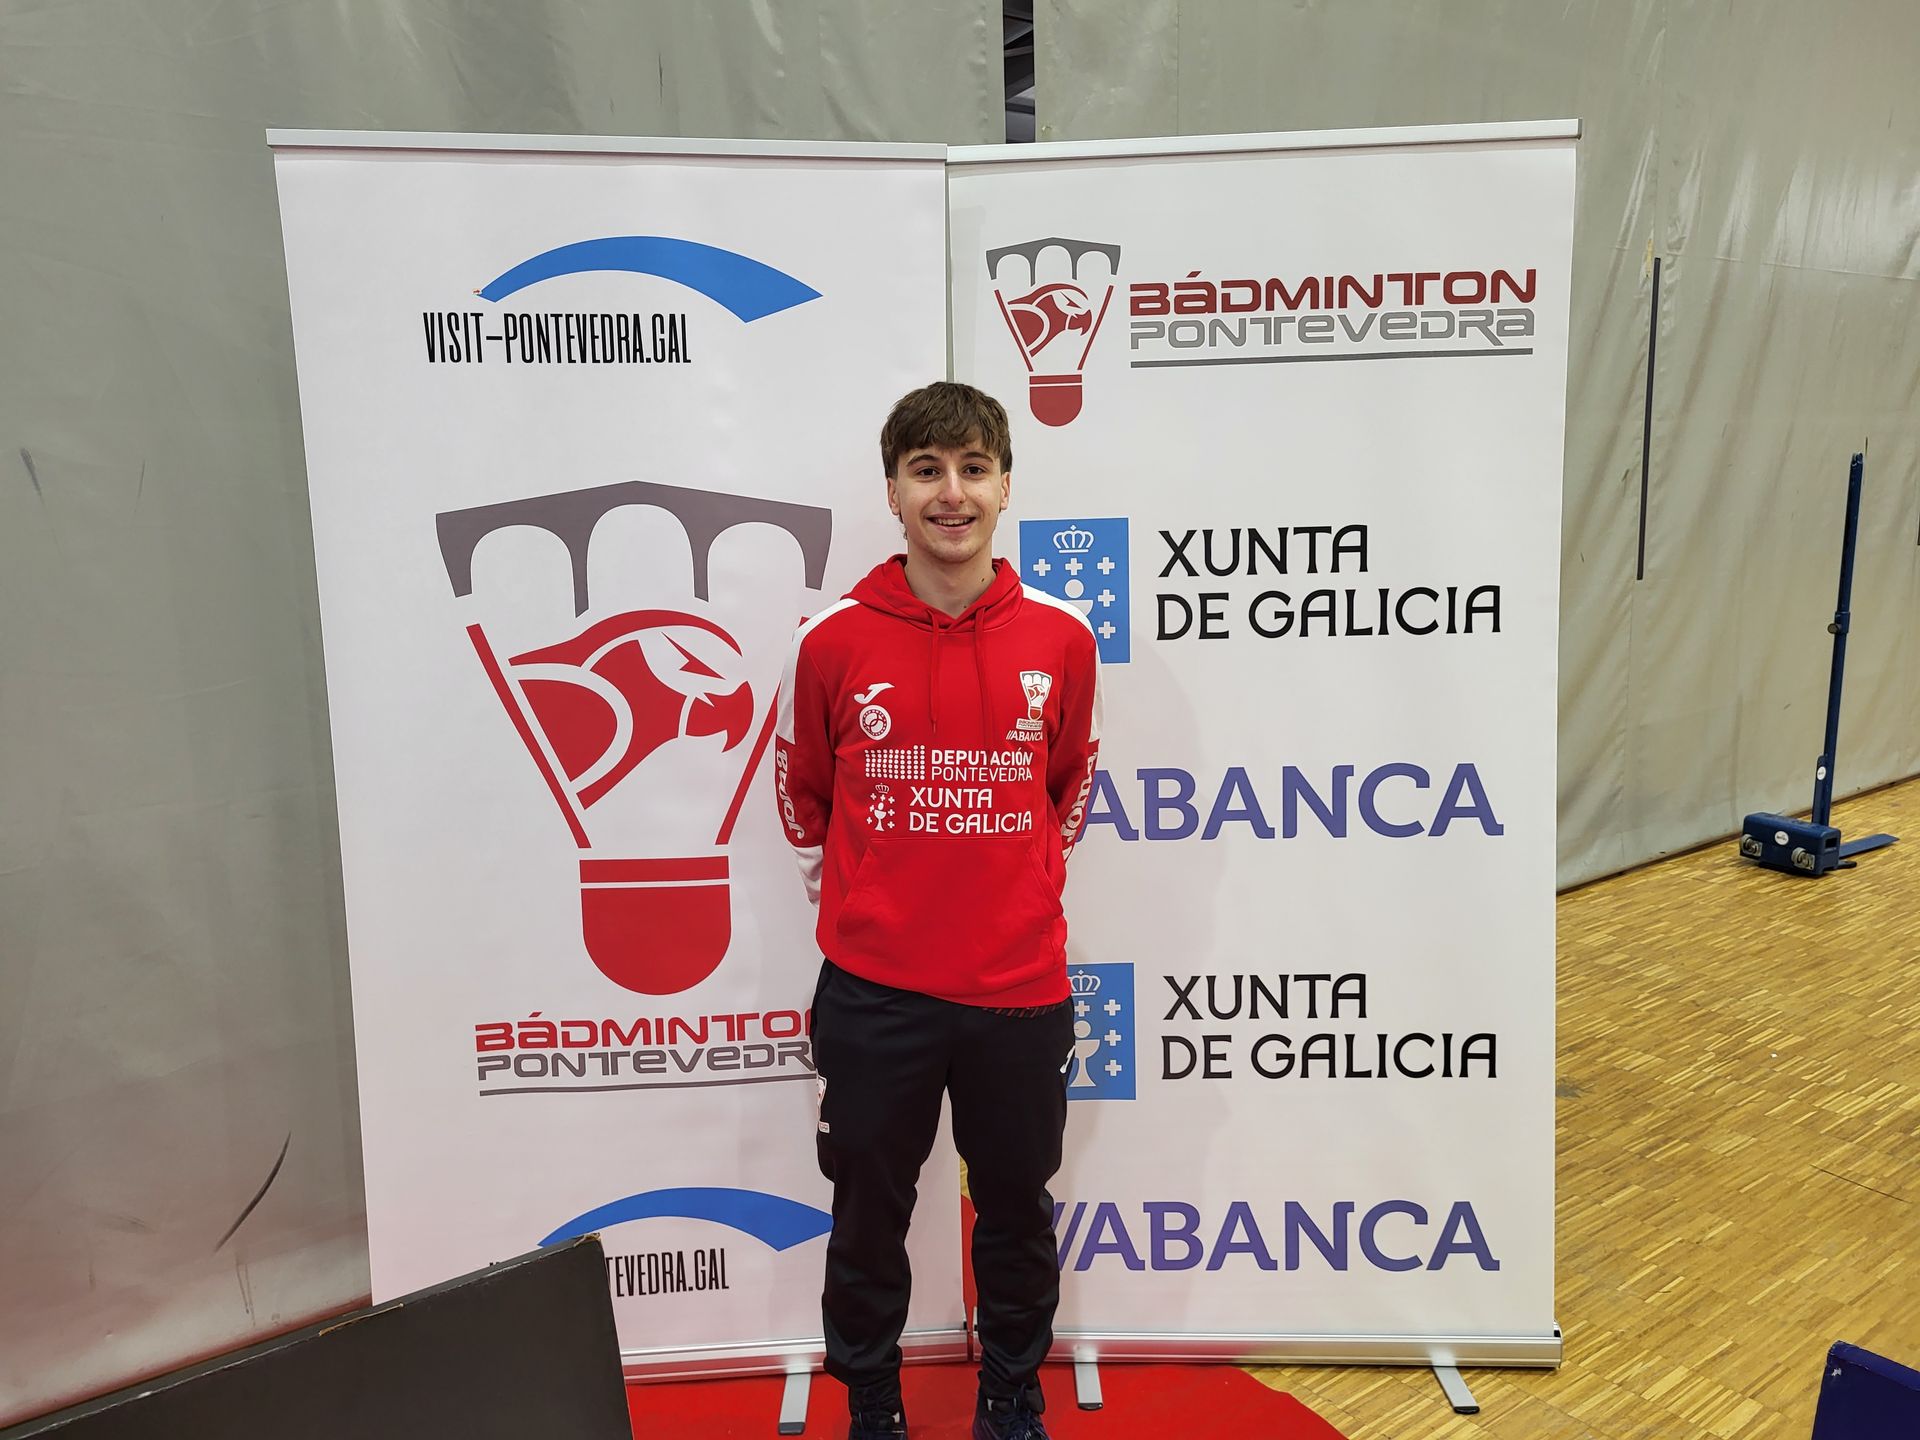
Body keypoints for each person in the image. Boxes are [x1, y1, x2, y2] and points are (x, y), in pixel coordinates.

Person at [773, 381, 1101, 1440]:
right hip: (877, 994)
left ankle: (1010, 1397)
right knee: (869, 1218)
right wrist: (873, 908)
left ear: (1005, 486)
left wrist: (1011, 891)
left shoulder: (1063, 637)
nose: (950, 493)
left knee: (1015, 1212)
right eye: (926, 471)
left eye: (972, 469)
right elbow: (803, 797)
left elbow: (1066, 789)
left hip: (1018, 989)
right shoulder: (829, 640)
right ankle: (874, 1405)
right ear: (893, 492)